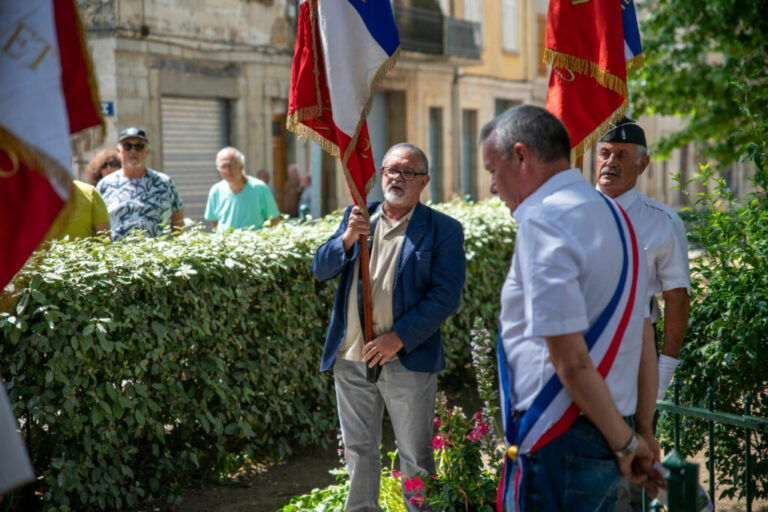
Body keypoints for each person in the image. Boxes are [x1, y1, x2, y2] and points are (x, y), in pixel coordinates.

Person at [480, 105, 663, 512]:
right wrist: (640, 430)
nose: (492, 186)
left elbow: (571, 362)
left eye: (493, 170)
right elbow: (643, 334)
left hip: (561, 437)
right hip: (609, 426)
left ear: (522, 157)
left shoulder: (544, 220)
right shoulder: (616, 217)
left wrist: (627, 443)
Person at [312, 143, 466, 512]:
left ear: (424, 181)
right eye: (391, 170)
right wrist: (347, 239)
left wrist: (398, 338)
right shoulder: (358, 217)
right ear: (381, 174)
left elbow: (446, 296)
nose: (397, 178)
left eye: (408, 172)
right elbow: (321, 268)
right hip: (351, 358)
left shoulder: (442, 230)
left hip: (406, 360)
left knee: (415, 457)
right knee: (359, 452)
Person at [595, 118, 691, 512]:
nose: (609, 162)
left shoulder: (661, 223)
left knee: (628, 465)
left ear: (644, 163)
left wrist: (664, 368)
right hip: (580, 355)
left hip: (634, 361)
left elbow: (677, 299)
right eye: (603, 154)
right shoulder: (572, 215)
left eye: (621, 155)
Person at [97, 127, 184, 242]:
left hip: (159, 258)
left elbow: (178, 222)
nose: (133, 151)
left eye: (139, 146)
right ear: (119, 150)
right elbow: (97, 227)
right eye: (127, 146)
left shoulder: (164, 183)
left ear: (147, 150)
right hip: (118, 258)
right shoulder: (105, 185)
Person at [204, 147, 281, 232]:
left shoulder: (260, 188)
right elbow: (214, 221)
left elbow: (274, 220)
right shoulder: (215, 191)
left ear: (241, 166)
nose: (228, 171)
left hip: (253, 244)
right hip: (226, 244)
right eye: (223, 167)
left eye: (231, 166)